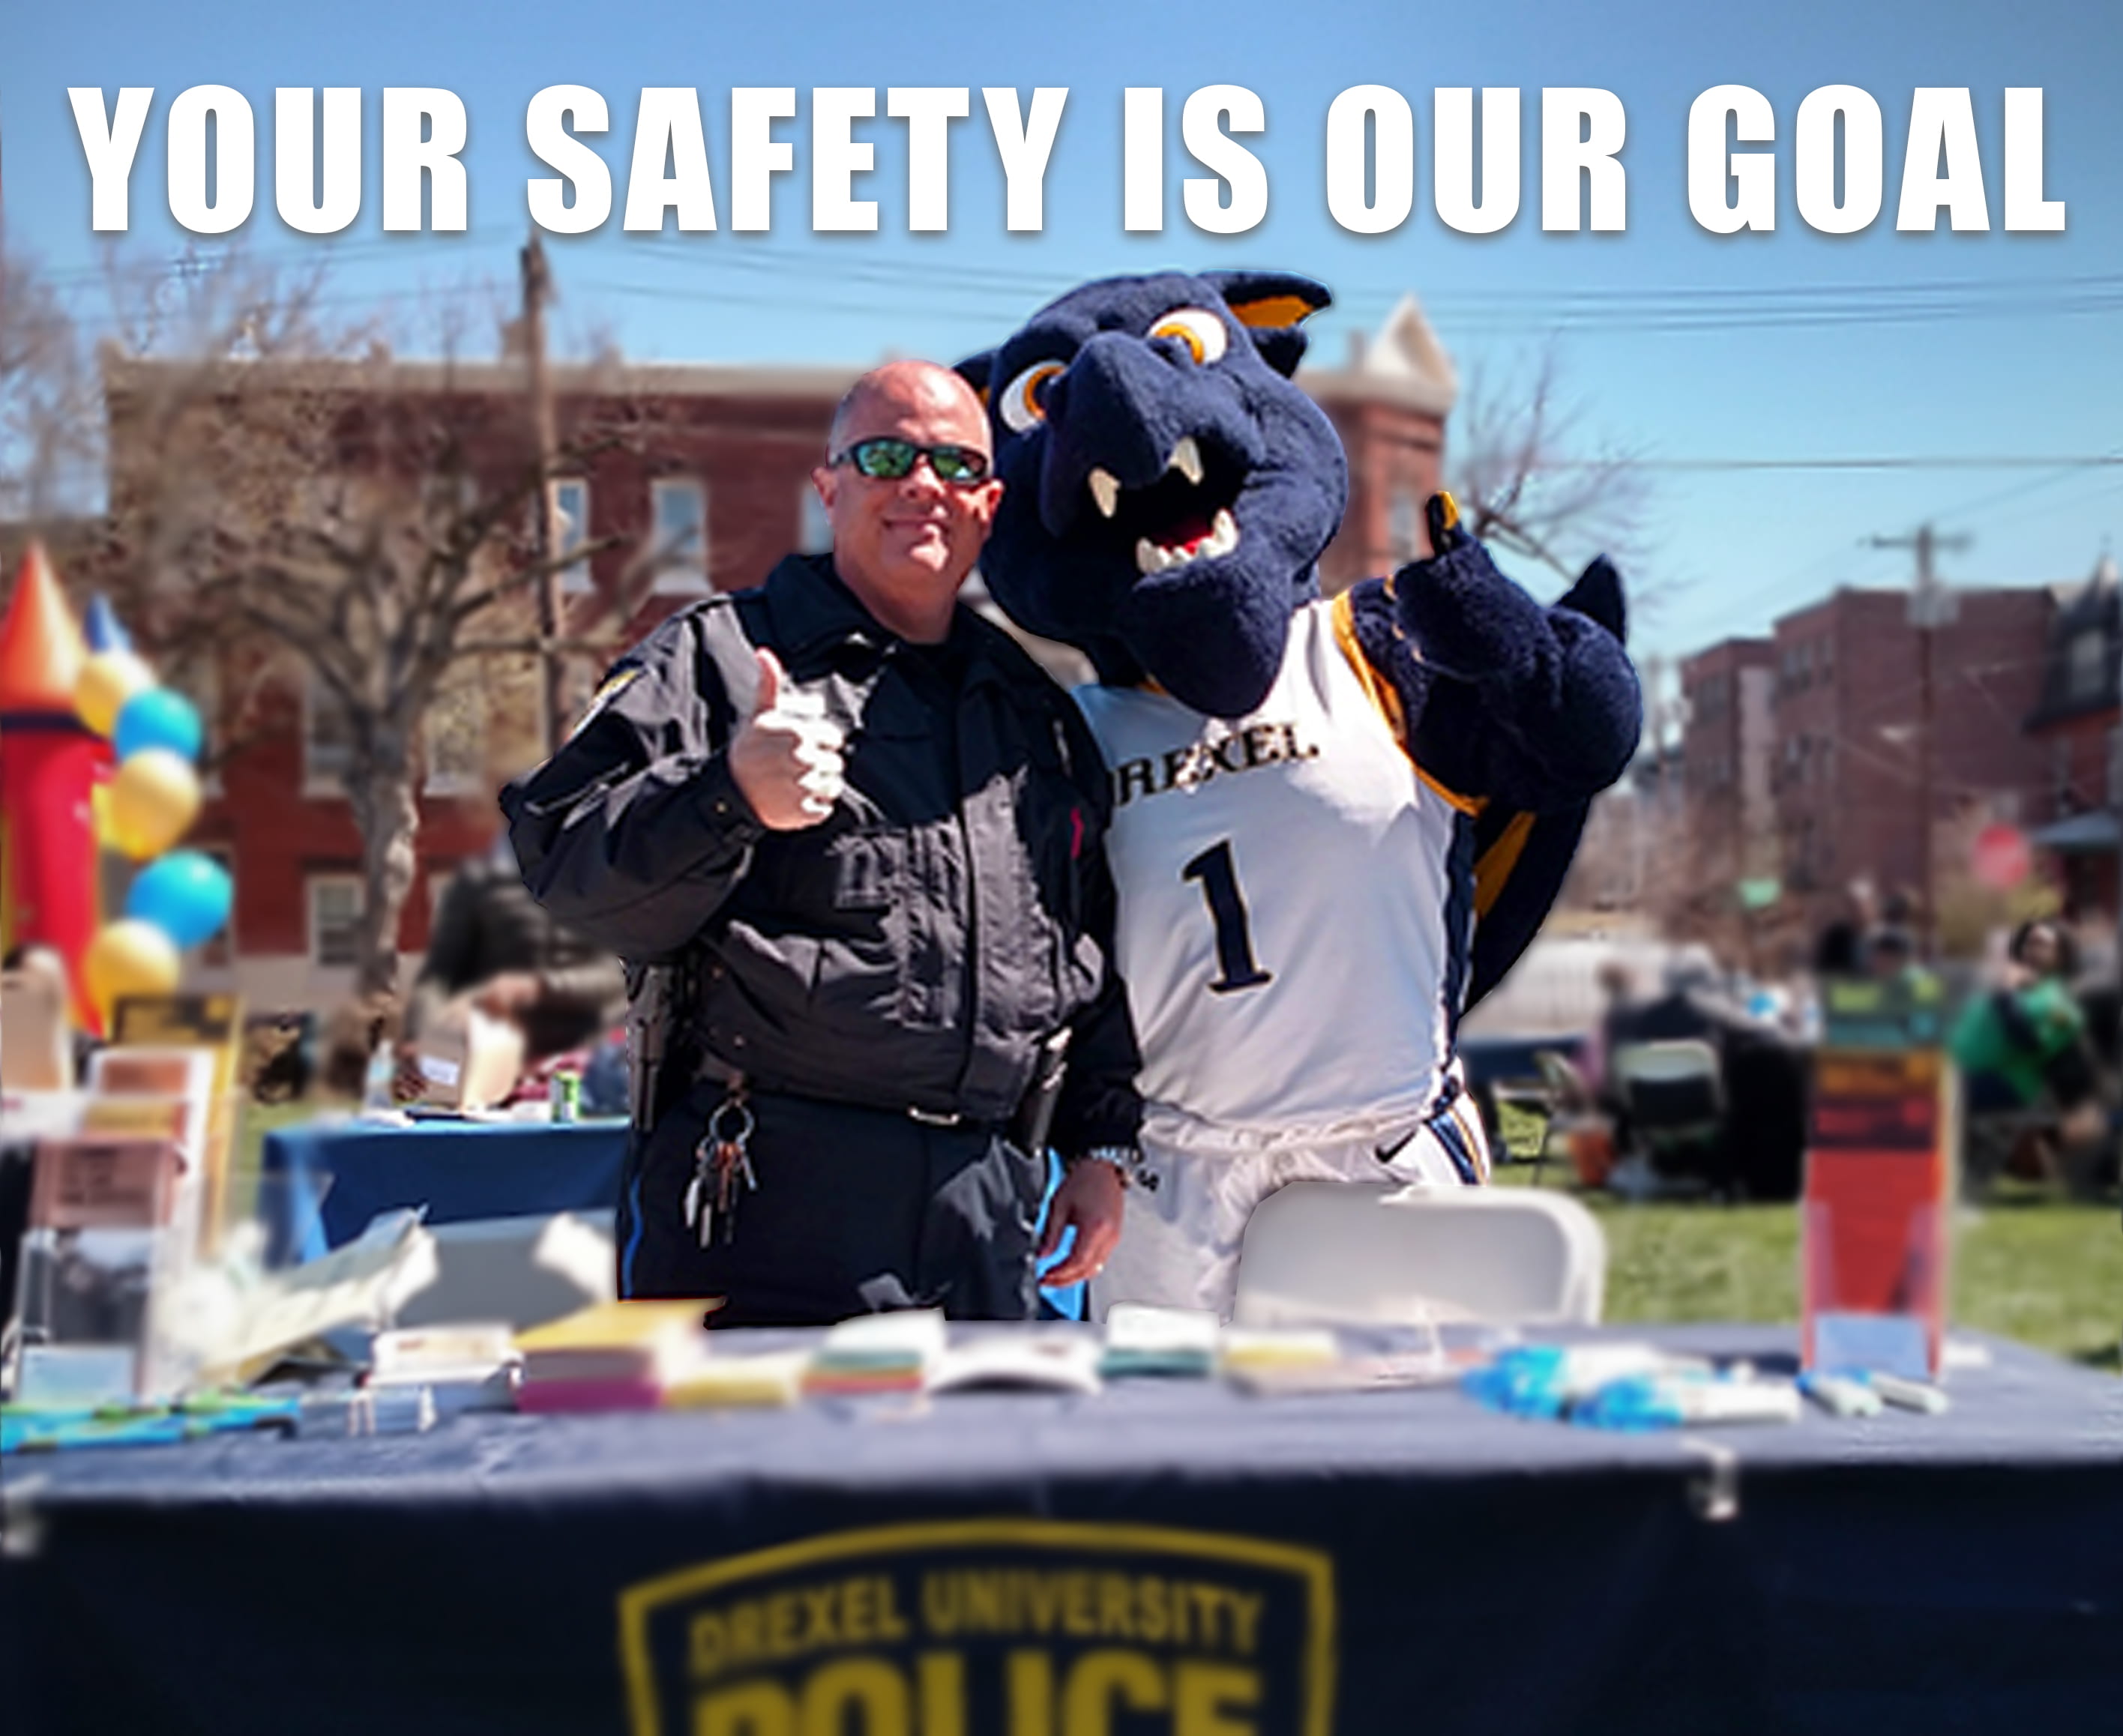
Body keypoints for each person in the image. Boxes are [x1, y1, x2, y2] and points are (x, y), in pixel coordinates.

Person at [504, 361, 1139, 1323]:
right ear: (829, 487)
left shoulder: (1035, 714)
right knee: (766, 1480)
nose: (923, 486)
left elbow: (1085, 943)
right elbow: (563, 865)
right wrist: (727, 795)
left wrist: (1099, 1144)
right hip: (772, 1204)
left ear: (990, 502)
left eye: (955, 466)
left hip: (990, 1207)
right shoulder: (718, 661)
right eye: (887, 457)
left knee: (992, 1476)